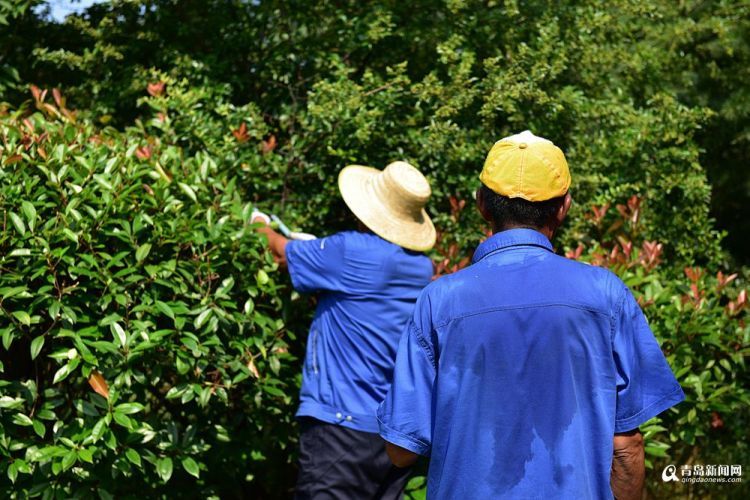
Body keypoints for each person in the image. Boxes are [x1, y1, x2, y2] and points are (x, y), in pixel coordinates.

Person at [377, 131, 685, 499]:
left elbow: (401, 450)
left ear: (481, 204)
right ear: (564, 207)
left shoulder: (439, 301)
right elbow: (627, 447)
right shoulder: (605, 294)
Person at [253, 161, 436, 499]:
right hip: (390, 435)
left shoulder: (351, 251)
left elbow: (279, 253)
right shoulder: (421, 267)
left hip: (339, 429)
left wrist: (257, 223)